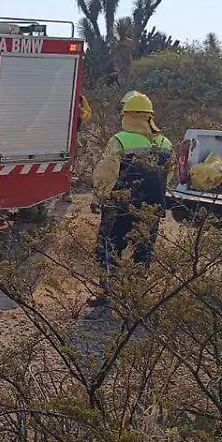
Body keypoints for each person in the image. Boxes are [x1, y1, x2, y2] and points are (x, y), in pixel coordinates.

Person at [89, 92, 173, 305]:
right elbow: (168, 176)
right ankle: (135, 295)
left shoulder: (120, 140)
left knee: (109, 247)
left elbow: (106, 174)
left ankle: (108, 293)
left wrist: (99, 198)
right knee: (144, 250)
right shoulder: (165, 143)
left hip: (121, 207)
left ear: (127, 115)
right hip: (153, 207)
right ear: (149, 116)